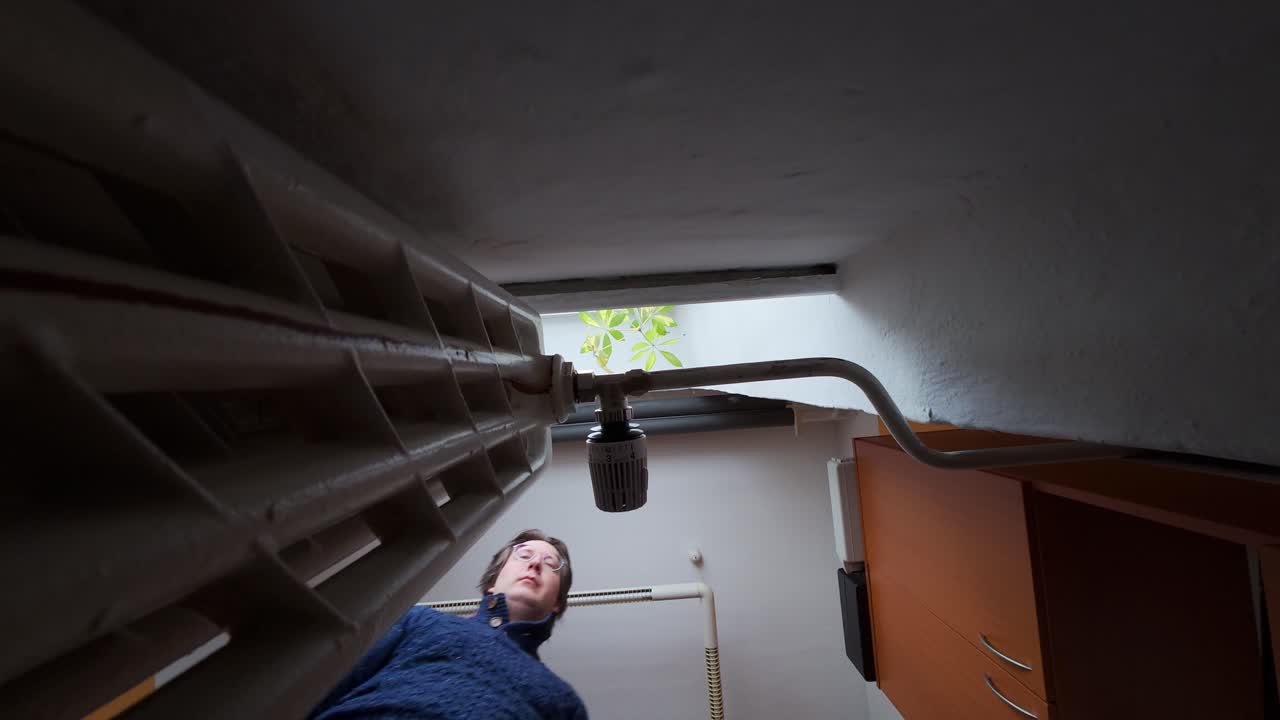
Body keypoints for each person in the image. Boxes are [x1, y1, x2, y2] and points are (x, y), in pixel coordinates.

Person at [309, 529, 587, 719]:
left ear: (557, 603)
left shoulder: (563, 701)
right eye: (523, 555)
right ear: (492, 584)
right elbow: (320, 691)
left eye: (551, 563)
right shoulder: (418, 619)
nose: (535, 563)